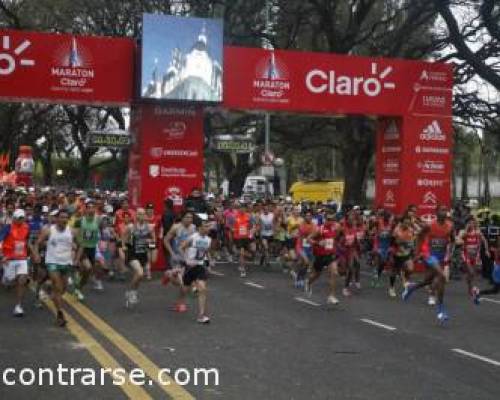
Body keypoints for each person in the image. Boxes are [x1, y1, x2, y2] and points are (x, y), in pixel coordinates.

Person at [403, 206, 453, 323]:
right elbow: (419, 237)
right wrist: (416, 255)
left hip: (440, 256)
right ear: (436, 212)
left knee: (430, 281)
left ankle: (411, 288)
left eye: (446, 210)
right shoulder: (429, 225)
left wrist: (449, 253)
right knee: (442, 276)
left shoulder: (450, 226)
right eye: (442, 210)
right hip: (428, 255)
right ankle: (441, 311)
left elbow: (452, 240)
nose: (444, 212)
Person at [33, 209, 76, 327]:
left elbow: (79, 245)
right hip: (52, 262)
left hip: (66, 263)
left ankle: (52, 294)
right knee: (57, 286)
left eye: (66, 217)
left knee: (63, 289)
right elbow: (37, 243)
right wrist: (36, 254)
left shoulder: (71, 231)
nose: (64, 219)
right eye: (61, 217)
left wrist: (75, 256)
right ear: (56, 219)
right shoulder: (48, 230)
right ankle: (60, 314)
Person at [176, 221, 212, 323]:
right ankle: (180, 301)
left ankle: (201, 315)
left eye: (208, 226)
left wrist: (209, 263)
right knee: (184, 289)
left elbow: (206, 252)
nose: (208, 228)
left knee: (203, 289)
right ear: (200, 228)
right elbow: (180, 248)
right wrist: (187, 260)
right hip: (189, 267)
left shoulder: (209, 239)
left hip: (200, 266)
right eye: (205, 226)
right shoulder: (192, 238)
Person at [0, 209, 33, 317]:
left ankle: (18, 306)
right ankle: (5, 279)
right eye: (18, 218)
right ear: (14, 218)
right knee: (8, 281)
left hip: (22, 258)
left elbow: (27, 241)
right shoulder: (7, 227)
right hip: (9, 259)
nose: (21, 220)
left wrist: (32, 253)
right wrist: (2, 256)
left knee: (22, 279)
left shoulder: (27, 227)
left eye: (22, 218)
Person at [305, 211, 341, 304]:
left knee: (334, 272)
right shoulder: (319, 229)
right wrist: (318, 243)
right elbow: (308, 239)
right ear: (325, 219)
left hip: (330, 255)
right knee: (317, 275)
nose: (331, 221)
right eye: (328, 219)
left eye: (332, 219)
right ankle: (308, 282)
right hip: (320, 256)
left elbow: (336, 238)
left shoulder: (335, 228)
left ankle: (331, 296)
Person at [123, 208, 154, 308]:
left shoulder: (149, 227)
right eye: (139, 214)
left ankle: (132, 292)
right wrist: (123, 246)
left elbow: (154, 240)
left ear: (145, 216)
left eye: (143, 214)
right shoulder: (131, 227)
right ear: (136, 216)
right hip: (132, 254)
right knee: (140, 273)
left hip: (143, 254)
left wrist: (151, 246)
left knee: (139, 276)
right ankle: (132, 292)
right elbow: (123, 237)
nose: (141, 216)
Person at [456, 216, 489, 302]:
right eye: (469, 223)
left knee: (473, 273)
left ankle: (469, 286)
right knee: (471, 272)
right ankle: (471, 288)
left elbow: (484, 240)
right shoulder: (463, 231)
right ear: (466, 224)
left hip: (475, 255)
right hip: (466, 254)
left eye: (473, 222)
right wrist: (465, 232)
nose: (471, 224)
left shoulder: (478, 232)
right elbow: (458, 239)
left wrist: (486, 250)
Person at [73, 199, 101, 301]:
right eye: (88, 207)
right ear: (85, 209)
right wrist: (76, 246)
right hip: (82, 248)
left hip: (92, 248)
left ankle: (78, 287)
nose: (91, 209)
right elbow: (75, 236)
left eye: (92, 207)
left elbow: (100, 231)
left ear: (95, 209)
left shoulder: (98, 220)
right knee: (88, 268)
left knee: (87, 272)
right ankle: (78, 286)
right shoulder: (80, 221)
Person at [390, 215, 416, 298]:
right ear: (402, 223)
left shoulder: (410, 230)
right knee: (394, 272)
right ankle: (391, 287)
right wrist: (400, 247)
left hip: (406, 253)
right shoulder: (397, 230)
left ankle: (406, 283)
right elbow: (393, 242)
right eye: (405, 223)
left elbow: (411, 242)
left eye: (408, 223)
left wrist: (412, 249)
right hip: (397, 254)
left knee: (410, 268)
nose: (407, 225)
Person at [231, 202, 253, 278]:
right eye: (241, 208)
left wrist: (250, 234)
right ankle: (243, 270)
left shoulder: (248, 217)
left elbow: (250, 227)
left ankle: (240, 260)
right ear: (239, 209)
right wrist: (233, 230)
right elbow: (231, 226)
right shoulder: (235, 217)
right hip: (238, 238)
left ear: (245, 209)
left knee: (248, 255)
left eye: (244, 208)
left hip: (246, 238)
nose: (242, 209)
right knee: (242, 253)